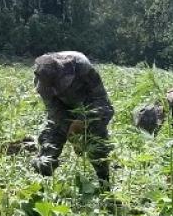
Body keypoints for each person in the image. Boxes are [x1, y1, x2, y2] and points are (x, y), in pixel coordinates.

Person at [31, 51, 114, 189]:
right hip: (64, 107)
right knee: (49, 140)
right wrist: (73, 135)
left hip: (89, 103)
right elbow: (55, 113)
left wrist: (83, 123)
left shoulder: (81, 66)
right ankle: (42, 187)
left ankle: (104, 183)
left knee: (96, 139)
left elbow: (101, 102)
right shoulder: (41, 81)